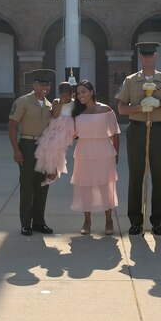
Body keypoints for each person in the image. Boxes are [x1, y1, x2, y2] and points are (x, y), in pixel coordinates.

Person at [115, 42, 161, 235]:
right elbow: (121, 108)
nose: (148, 58)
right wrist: (138, 108)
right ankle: (135, 220)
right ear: (140, 57)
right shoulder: (130, 80)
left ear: (156, 56)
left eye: (151, 54)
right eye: (144, 55)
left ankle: (158, 221)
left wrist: (159, 103)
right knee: (136, 176)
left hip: (159, 130)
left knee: (159, 176)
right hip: (137, 130)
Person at [70, 81, 120, 236]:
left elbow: (115, 134)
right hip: (83, 152)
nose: (80, 96)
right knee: (85, 186)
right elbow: (73, 134)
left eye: (83, 92)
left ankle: (109, 220)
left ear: (92, 92)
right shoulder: (77, 112)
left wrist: (116, 154)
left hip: (104, 153)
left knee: (105, 186)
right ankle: (87, 220)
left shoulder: (106, 110)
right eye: (78, 93)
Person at [9, 69, 54, 235]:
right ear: (34, 84)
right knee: (27, 186)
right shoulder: (23, 102)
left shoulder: (50, 105)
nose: (45, 87)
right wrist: (16, 149)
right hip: (27, 145)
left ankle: (39, 222)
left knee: (42, 185)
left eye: (47, 84)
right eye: (41, 84)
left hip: (45, 147)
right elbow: (12, 125)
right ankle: (26, 223)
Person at [35, 81, 76, 185]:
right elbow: (55, 115)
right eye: (62, 95)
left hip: (66, 129)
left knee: (56, 149)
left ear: (71, 94)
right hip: (53, 127)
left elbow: (76, 117)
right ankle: (49, 171)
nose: (65, 98)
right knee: (45, 148)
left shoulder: (74, 103)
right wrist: (61, 103)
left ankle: (54, 173)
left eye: (67, 95)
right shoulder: (56, 102)